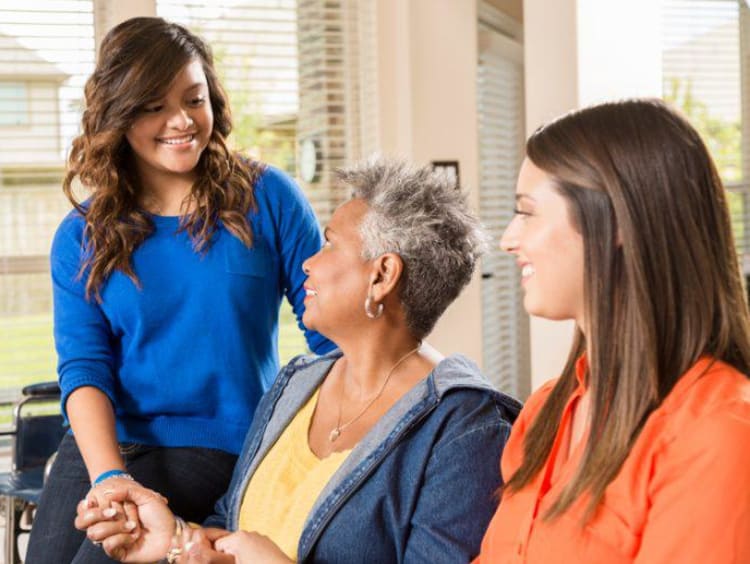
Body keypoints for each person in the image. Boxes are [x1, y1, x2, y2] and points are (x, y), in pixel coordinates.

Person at [75, 157, 522, 563]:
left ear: (382, 275)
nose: (307, 263)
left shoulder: (465, 429)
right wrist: (174, 540)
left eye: (329, 246)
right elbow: (229, 524)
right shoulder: (295, 384)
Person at [27, 17, 334, 563]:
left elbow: (331, 331)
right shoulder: (81, 234)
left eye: (193, 99)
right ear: (119, 115)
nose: (180, 121)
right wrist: (110, 479)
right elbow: (84, 366)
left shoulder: (269, 199)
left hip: (216, 443)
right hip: (104, 444)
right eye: (152, 106)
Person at [475, 99, 750, 563]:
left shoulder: (717, 433)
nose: (507, 239)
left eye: (527, 212)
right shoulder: (545, 414)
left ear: (616, 220)